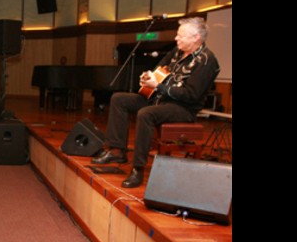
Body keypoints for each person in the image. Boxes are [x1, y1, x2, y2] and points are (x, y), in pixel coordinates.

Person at [91, 17, 220, 188]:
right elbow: (158, 70)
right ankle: (117, 150)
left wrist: (159, 86)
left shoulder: (207, 61)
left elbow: (191, 95)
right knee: (118, 99)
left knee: (146, 113)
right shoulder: (176, 51)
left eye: (181, 36)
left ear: (196, 38)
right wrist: (147, 77)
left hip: (182, 108)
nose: (176, 38)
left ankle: (138, 168)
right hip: (160, 100)